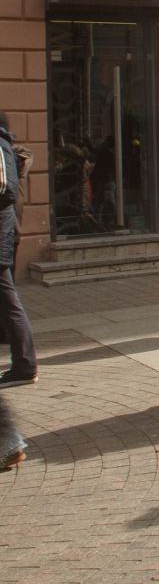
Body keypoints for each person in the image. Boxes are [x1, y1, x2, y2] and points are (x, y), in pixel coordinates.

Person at [0, 113, 35, 388]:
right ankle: (23, 362)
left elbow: (7, 192)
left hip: (3, 235)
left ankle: (25, 364)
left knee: (9, 299)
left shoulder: (2, 148)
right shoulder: (9, 149)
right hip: (7, 233)